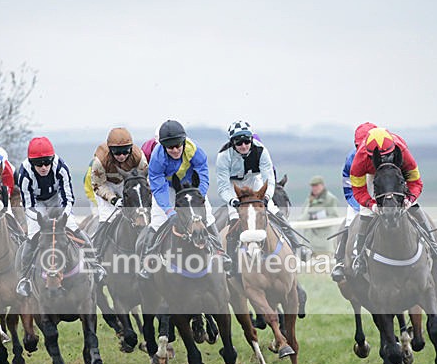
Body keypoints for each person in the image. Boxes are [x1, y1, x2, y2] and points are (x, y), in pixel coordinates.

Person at [14, 136, 105, 297]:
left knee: (76, 230)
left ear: (52, 159)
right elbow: (28, 204)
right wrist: (42, 220)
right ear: (31, 163)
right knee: (32, 237)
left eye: (47, 162)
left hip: (58, 200)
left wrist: (63, 217)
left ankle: (95, 264)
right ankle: (25, 279)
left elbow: (68, 198)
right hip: (37, 205)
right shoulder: (24, 173)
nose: (43, 167)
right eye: (38, 164)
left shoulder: (62, 167)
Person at [216, 120, 311, 271]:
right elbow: (222, 187)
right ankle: (231, 264)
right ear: (232, 143)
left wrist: (266, 197)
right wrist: (233, 201)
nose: (244, 146)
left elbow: (269, 179)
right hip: (234, 186)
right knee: (234, 221)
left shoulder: (261, 150)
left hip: (255, 181)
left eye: (247, 141)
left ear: (251, 139)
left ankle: (298, 247)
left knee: (275, 213)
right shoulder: (223, 156)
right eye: (239, 143)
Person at [349, 126, 437, 276]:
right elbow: (358, 191)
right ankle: (358, 255)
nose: (383, 159)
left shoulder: (403, 150)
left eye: (387, 155)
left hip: (396, 171)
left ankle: (433, 244)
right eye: (379, 158)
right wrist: (371, 204)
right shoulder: (359, 161)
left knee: (412, 206)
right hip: (373, 175)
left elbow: (416, 182)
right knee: (365, 211)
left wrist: (409, 199)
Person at [138, 119, 227, 277]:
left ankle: (220, 252)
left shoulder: (195, 150)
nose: (175, 150)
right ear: (163, 146)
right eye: (170, 147)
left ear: (183, 141)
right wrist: (169, 211)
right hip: (167, 188)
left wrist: (199, 195)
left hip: (191, 187)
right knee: (158, 220)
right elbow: (159, 188)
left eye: (178, 145)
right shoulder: (157, 159)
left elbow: (203, 174)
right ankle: (148, 260)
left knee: (208, 216)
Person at [331, 122, 376, 281]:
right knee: (350, 223)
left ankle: (429, 246)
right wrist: (360, 206)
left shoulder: (384, 154)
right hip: (358, 197)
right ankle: (340, 261)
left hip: (379, 195)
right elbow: (348, 187)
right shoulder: (351, 159)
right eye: (358, 145)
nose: (361, 149)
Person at [90, 127, 149, 224]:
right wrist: (113, 199)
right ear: (110, 150)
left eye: (125, 151)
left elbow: (144, 180)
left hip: (127, 184)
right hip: (106, 184)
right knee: (107, 217)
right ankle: (100, 236)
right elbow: (98, 185)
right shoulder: (99, 161)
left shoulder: (139, 157)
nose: (122, 156)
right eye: (117, 152)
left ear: (130, 149)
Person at [299, 175, 340, 255]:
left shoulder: (330, 199)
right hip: (309, 244)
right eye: (313, 186)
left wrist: (317, 218)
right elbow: (303, 217)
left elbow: (334, 217)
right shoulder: (309, 200)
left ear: (322, 185)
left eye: (316, 185)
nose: (314, 188)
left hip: (324, 244)